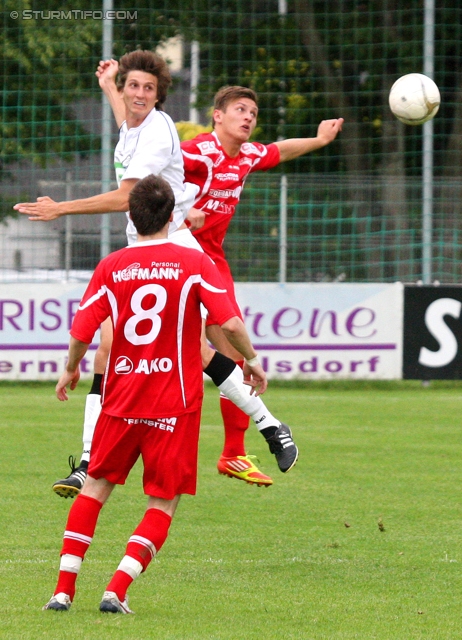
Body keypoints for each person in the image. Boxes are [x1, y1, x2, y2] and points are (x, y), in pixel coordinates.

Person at [14, 51, 298, 495]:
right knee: (119, 349)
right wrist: (109, 85)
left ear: (159, 94)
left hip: (169, 242)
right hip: (141, 243)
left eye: (148, 88)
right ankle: (269, 425)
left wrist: (60, 208)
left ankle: (266, 424)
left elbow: (127, 197)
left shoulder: (159, 132)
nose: (139, 94)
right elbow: (127, 122)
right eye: (133, 86)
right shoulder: (136, 122)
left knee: (185, 344)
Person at [98, 72, 343, 483]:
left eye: (253, 112)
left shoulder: (246, 155)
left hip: (211, 259)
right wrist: (181, 208)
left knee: (223, 346)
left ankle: (234, 451)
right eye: (240, 110)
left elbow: (279, 150)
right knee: (189, 348)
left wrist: (318, 140)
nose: (248, 118)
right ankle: (105, 450)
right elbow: (153, 169)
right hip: (174, 252)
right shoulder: (196, 152)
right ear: (217, 116)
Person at [42, 173, 269, 614]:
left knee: (94, 488)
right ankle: (116, 589)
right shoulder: (194, 262)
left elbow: (81, 331)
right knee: (163, 501)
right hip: (174, 402)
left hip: (122, 398)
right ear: (173, 215)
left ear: (131, 214)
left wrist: (70, 370)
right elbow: (230, 324)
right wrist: (252, 360)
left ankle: (63, 591)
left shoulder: (112, 266)